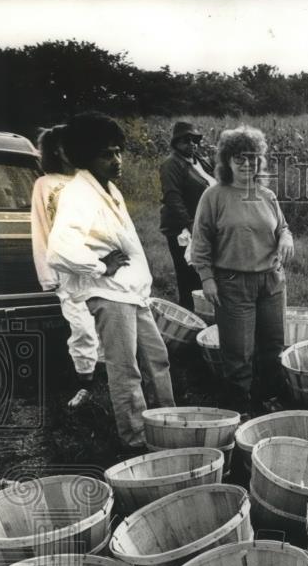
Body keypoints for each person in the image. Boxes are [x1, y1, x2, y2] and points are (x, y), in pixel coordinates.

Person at [47, 112, 175, 453]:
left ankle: (170, 424)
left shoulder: (109, 188)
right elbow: (59, 249)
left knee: (156, 359)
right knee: (125, 370)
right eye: (106, 154)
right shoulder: (78, 193)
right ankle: (136, 440)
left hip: (130, 292)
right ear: (86, 156)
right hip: (109, 294)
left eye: (119, 151)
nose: (116, 160)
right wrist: (98, 265)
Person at [189, 125, 294, 416]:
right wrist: (207, 278)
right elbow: (201, 241)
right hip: (233, 282)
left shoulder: (266, 195)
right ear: (227, 161)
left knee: (272, 345)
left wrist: (285, 238)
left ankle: (269, 395)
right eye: (239, 158)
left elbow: (283, 227)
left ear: (260, 160)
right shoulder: (215, 196)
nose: (247, 163)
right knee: (238, 351)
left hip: (272, 282)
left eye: (252, 157)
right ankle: (239, 404)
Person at [30, 124, 103, 409]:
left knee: (107, 322)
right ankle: (86, 383)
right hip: (67, 270)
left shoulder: (89, 180)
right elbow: (41, 229)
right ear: (55, 150)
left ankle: (111, 378)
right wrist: (48, 275)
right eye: (64, 145)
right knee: (82, 325)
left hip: (99, 265)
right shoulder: (45, 185)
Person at [158, 121, 216, 310]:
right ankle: (189, 313)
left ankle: (205, 310)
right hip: (183, 227)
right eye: (186, 140)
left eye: (195, 140)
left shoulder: (200, 160)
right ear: (176, 143)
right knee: (188, 275)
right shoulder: (171, 164)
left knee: (204, 271)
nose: (192, 144)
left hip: (203, 223)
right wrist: (191, 225)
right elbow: (173, 198)